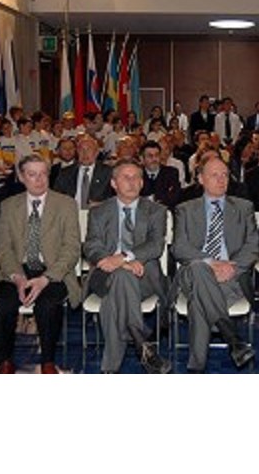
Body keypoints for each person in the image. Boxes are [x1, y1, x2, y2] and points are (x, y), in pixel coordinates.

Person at [0, 155, 81, 373]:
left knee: (48, 306)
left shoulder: (66, 204)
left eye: (43, 174)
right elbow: (3, 247)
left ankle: (48, 361)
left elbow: (71, 249)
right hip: (17, 269)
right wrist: (17, 276)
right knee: (3, 305)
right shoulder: (8, 206)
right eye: (32, 175)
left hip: (54, 270)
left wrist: (46, 278)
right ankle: (5, 361)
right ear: (21, 177)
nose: (39, 180)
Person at [171, 154, 257, 372]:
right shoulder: (185, 209)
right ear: (200, 179)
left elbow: (252, 246)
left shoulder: (244, 207)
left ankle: (196, 367)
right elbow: (179, 248)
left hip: (231, 277)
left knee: (199, 300)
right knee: (199, 268)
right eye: (214, 175)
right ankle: (232, 336)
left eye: (225, 175)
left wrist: (231, 267)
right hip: (193, 274)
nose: (221, 180)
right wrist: (211, 263)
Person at [83, 158, 171, 374]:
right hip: (105, 275)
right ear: (114, 183)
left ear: (142, 183)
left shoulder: (156, 210)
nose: (132, 182)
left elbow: (155, 245)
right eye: (126, 177)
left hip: (144, 277)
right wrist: (121, 264)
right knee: (122, 277)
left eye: (136, 178)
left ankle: (112, 367)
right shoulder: (99, 211)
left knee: (114, 298)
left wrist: (123, 258)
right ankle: (141, 343)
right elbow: (91, 245)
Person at [54, 134, 113, 208]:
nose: (85, 153)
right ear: (77, 152)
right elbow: (56, 197)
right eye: (81, 150)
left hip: (99, 212)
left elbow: (118, 198)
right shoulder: (65, 173)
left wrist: (103, 204)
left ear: (96, 153)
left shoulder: (108, 173)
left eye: (89, 149)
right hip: (72, 212)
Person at [139, 140, 181, 208]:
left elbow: (174, 197)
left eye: (157, 155)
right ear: (142, 158)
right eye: (150, 156)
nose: (154, 159)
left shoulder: (171, 173)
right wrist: (162, 195)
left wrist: (152, 198)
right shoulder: (137, 174)